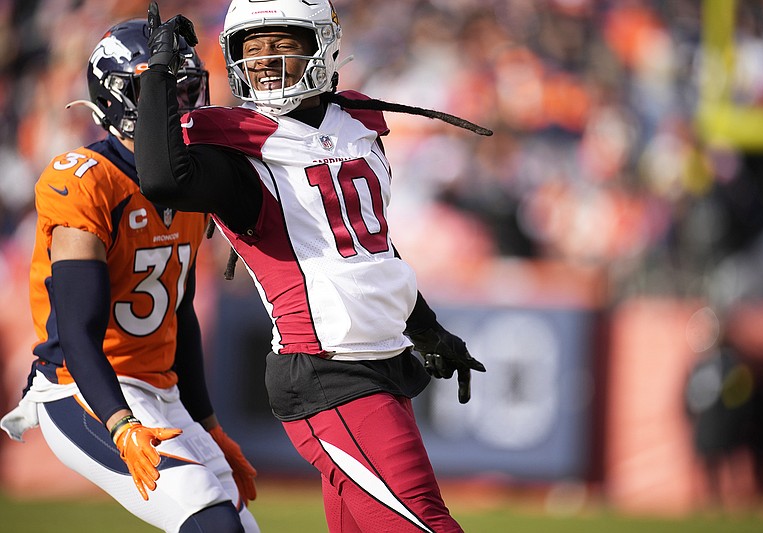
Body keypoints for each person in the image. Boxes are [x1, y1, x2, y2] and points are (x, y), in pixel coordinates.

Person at [137, 1, 488, 531]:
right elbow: (162, 177)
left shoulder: (355, 126)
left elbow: (370, 254)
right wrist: (159, 70)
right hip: (328, 368)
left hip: (383, 360)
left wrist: (428, 331)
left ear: (322, 43)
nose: (264, 60)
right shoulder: (241, 154)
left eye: (281, 43)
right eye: (251, 48)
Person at [0, 18, 259, 533]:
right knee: (214, 526)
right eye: (157, 88)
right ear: (116, 96)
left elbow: (178, 314)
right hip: (80, 390)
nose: (175, 104)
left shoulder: (191, 182)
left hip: (162, 391)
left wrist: (208, 423)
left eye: (184, 88)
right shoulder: (85, 179)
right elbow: (76, 332)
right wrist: (120, 425)